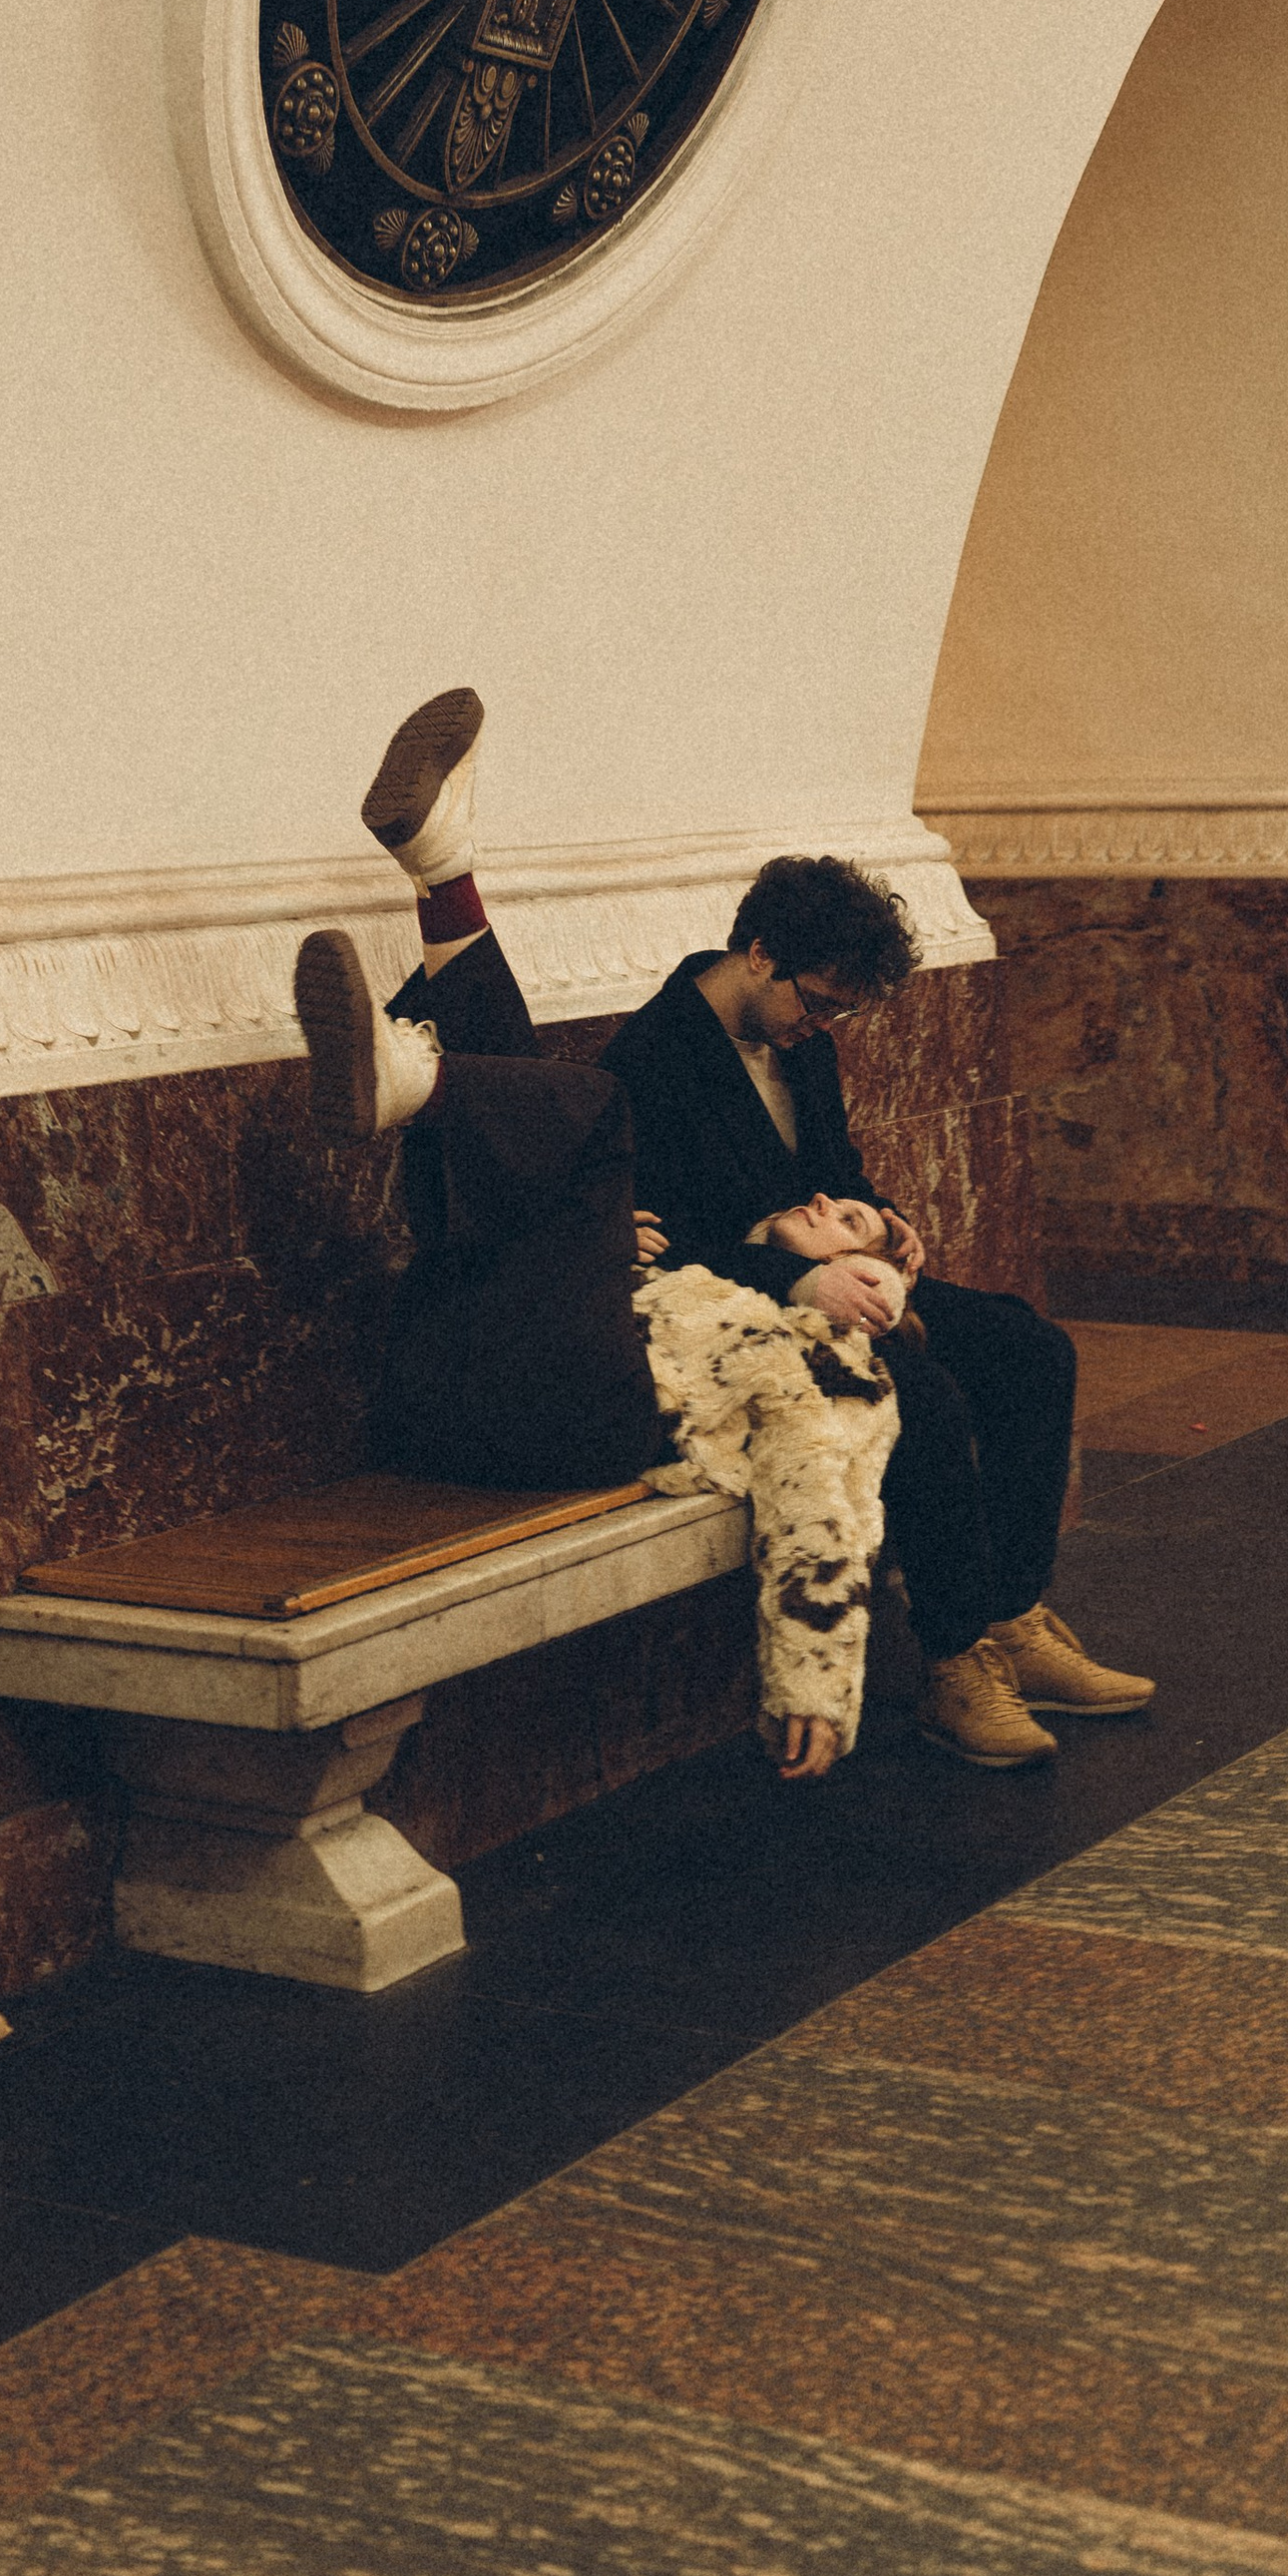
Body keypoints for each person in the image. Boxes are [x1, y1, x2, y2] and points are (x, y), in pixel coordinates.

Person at [290, 688, 901, 1771]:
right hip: (482, 1363)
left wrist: (812, 1681)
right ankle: (439, 907)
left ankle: (419, 1063)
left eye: (838, 1226)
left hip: (592, 1421)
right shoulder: (736, 1283)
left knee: (589, 1124)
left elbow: (824, 1512)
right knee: (556, 1119)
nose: (822, 1203)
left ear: (856, 1302)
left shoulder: (825, 1375)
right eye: (836, 1204)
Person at [602, 848, 1153, 1771]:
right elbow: (664, 1252)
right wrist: (793, 1276)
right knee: (923, 1396)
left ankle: (1013, 1619)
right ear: (762, 954)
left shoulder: (801, 1040)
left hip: (836, 1279)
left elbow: (832, 1169)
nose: (824, 1027)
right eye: (817, 1002)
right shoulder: (649, 1062)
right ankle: (953, 1661)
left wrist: (880, 1218)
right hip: (744, 1315)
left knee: (1031, 1349)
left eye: (843, 1011)